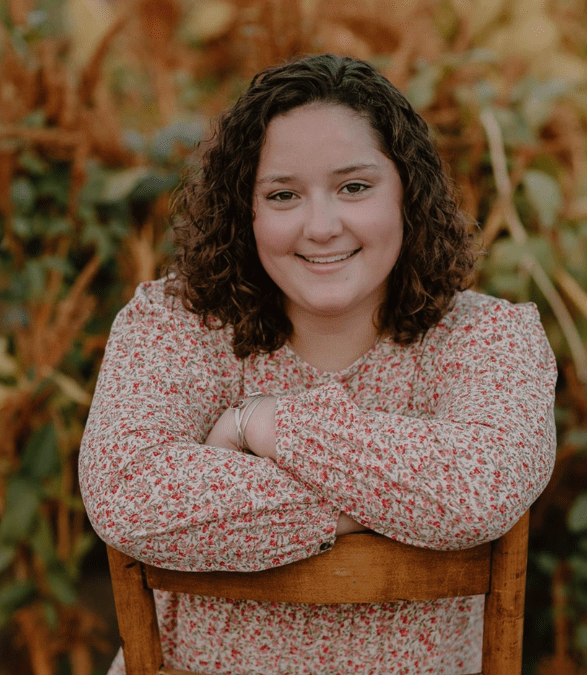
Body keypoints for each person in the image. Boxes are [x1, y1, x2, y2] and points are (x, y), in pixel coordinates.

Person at [79, 54, 557, 675]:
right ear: (243, 210)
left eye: (354, 187)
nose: (322, 226)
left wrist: (261, 426)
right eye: (283, 195)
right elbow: (126, 492)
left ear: (407, 193)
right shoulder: (178, 325)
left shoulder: (486, 337)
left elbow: (478, 489)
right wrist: (388, 504)